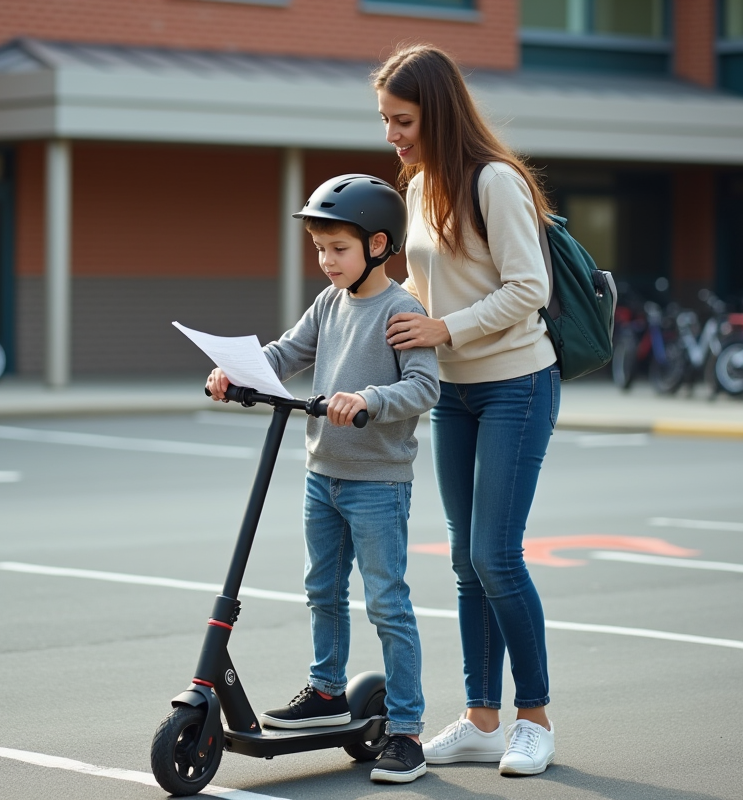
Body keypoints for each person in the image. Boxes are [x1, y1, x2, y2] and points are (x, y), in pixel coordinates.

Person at [206, 174, 440, 784]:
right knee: (322, 590)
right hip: (323, 474)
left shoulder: (401, 310)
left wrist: (367, 399)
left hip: (378, 482)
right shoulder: (329, 305)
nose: (326, 260)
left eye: (337, 248)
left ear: (379, 245)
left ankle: (407, 731)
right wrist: (236, 373)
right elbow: (286, 354)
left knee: (387, 602)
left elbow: (424, 387)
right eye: (319, 249)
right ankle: (327, 690)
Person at [374, 44, 561, 777]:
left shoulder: (496, 182)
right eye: (386, 120)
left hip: (517, 382)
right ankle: (482, 719)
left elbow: (528, 288)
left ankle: (534, 718)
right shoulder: (420, 188)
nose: (392, 135)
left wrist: (443, 327)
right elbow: (431, 293)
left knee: (496, 555)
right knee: (462, 559)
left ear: (438, 112)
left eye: (403, 121)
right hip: (452, 391)